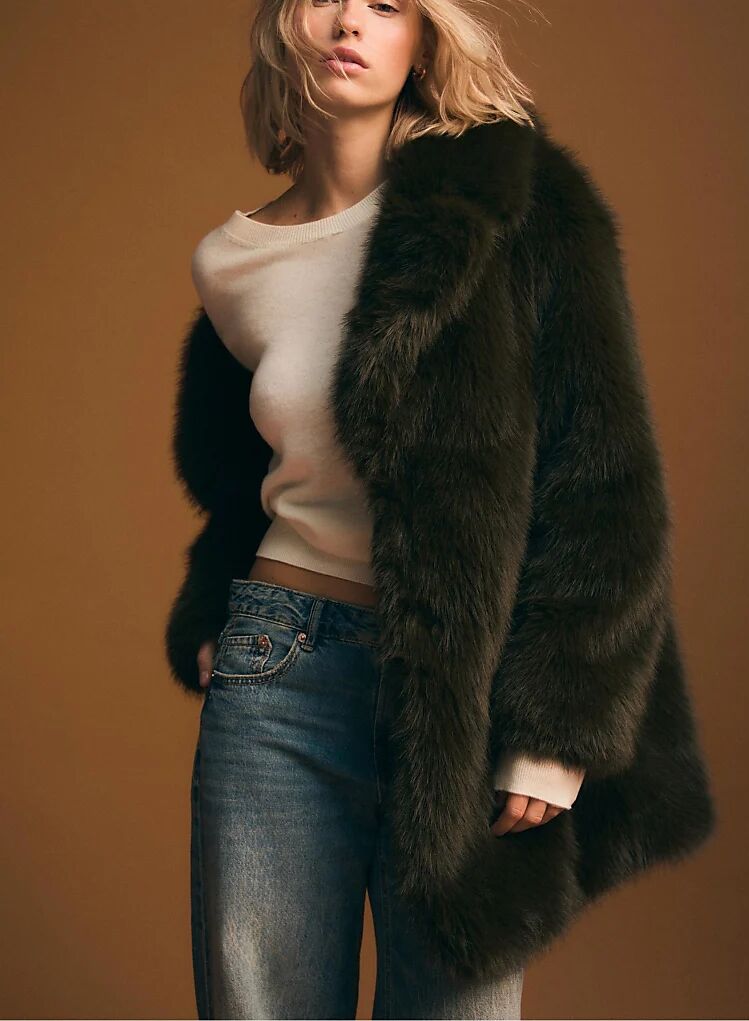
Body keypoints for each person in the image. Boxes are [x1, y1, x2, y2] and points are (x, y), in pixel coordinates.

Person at [164, 0, 717, 1017]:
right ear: (282, 25)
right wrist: (215, 605)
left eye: (386, 4)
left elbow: (604, 475)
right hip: (279, 672)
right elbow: (242, 477)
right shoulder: (231, 262)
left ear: (424, 38)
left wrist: (559, 724)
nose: (349, 21)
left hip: (465, 686)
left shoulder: (516, 203)